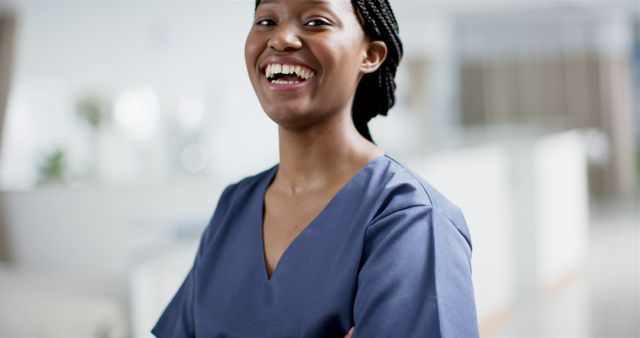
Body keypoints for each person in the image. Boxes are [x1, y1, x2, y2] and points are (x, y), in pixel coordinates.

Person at [152, 0, 478, 337]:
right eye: (266, 21)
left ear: (370, 54)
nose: (281, 39)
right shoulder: (235, 205)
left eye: (315, 22)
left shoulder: (411, 218)